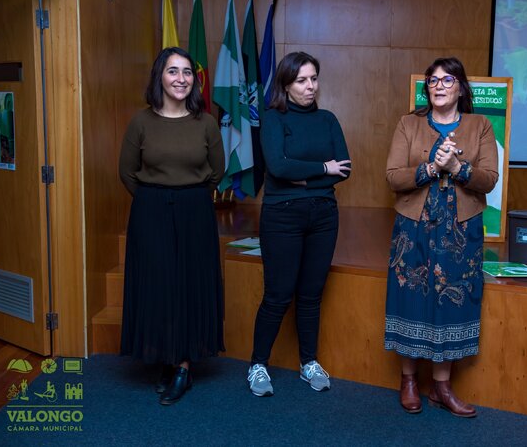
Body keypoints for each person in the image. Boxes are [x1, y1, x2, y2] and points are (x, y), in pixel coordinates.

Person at [384, 57, 498, 416]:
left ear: (461, 87)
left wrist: (458, 168)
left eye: (447, 80)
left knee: (453, 302)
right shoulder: (408, 123)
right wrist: (433, 168)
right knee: (410, 297)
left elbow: (489, 179)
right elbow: (393, 176)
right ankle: (409, 381)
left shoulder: (480, 125)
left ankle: (441, 387)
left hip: (460, 230)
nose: (439, 86)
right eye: (432, 81)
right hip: (414, 225)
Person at [119, 47, 225, 406]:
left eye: (187, 72)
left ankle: (183, 366)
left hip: (195, 211)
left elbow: (217, 171)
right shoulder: (141, 122)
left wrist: (186, 198)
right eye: (173, 71)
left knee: (189, 285)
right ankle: (167, 357)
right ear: (159, 77)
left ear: (194, 80)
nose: (181, 79)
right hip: (150, 212)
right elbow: (127, 172)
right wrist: (156, 199)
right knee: (159, 285)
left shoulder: (206, 123)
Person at [246, 51, 352, 397]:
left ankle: (309, 362)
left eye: (314, 79)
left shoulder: (327, 119)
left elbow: (344, 169)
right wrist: (322, 169)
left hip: (324, 215)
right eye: (302, 80)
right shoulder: (273, 118)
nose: (310, 86)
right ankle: (258, 364)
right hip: (282, 216)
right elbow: (278, 167)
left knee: (310, 295)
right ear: (286, 84)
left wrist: (303, 176)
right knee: (278, 295)